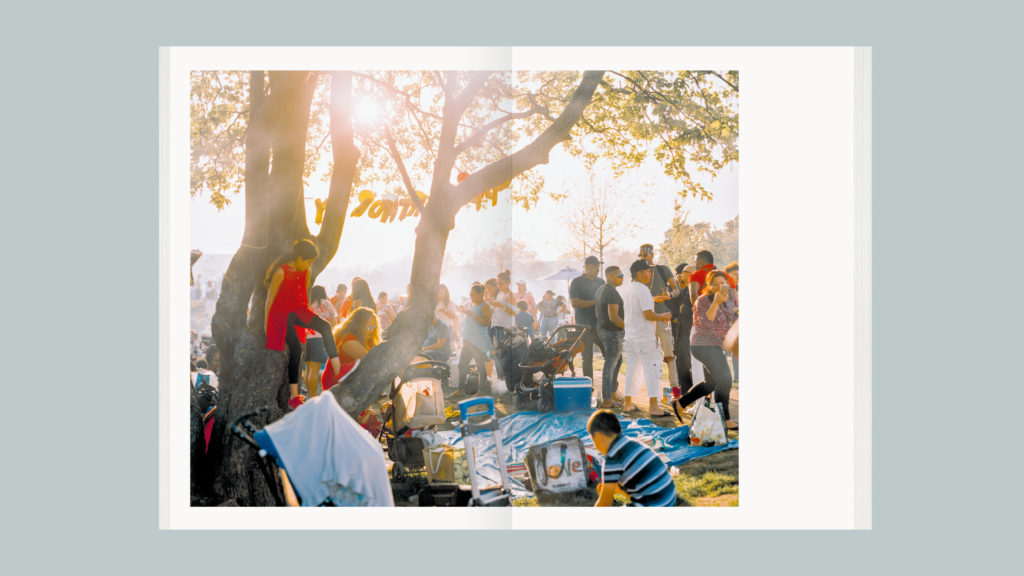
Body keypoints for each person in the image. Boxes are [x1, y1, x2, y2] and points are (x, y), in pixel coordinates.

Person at [264, 240, 341, 408]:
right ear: (298, 258)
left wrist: (308, 319)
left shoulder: (306, 271)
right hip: (282, 315)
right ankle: (294, 395)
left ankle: (338, 371)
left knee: (326, 326)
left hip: (299, 312)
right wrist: (267, 324)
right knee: (296, 350)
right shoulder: (281, 272)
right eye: (307, 261)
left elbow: (303, 298)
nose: (309, 265)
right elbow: (270, 299)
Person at [673, 270, 738, 428]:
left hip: (716, 345)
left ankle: (680, 404)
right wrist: (716, 302)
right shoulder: (702, 300)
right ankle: (725, 419)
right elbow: (707, 322)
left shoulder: (728, 300)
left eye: (722, 283)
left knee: (711, 384)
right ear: (708, 285)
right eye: (714, 284)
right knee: (725, 378)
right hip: (703, 345)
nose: (718, 287)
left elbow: (730, 320)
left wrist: (735, 311)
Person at [588, 410, 677, 507]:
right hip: (669, 498)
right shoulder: (633, 443)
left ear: (598, 436)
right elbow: (642, 488)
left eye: (593, 440)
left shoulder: (612, 459)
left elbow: (604, 502)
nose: (596, 447)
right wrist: (619, 490)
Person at [620, 259, 672, 415]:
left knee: (632, 372)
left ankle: (627, 404)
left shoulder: (628, 289)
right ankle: (654, 407)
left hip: (630, 337)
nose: (650, 274)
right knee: (652, 371)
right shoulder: (643, 290)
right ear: (640, 273)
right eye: (648, 271)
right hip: (644, 338)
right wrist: (663, 316)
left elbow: (637, 308)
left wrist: (654, 300)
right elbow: (648, 314)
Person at [639, 244, 681, 393]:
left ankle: (675, 388)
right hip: (645, 319)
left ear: (652, 254)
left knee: (669, 354)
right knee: (649, 356)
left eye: (646, 255)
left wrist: (668, 295)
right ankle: (653, 389)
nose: (644, 257)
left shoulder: (663, 269)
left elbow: (677, 290)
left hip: (662, 318)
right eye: (641, 255)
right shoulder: (638, 273)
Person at [321, 307, 381, 392]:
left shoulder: (366, 338)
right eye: (368, 327)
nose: (371, 330)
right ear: (358, 326)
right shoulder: (347, 339)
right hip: (336, 383)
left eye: (374, 326)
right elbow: (370, 359)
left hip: (350, 381)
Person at [569, 255, 606, 379]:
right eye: (596, 267)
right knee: (587, 358)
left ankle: (610, 386)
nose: (598, 269)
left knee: (610, 354)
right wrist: (595, 301)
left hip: (600, 325)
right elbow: (575, 303)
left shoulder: (601, 282)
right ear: (588, 267)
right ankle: (588, 387)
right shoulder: (576, 282)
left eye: (598, 267)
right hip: (584, 326)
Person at [594, 265, 625, 409]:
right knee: (610, 365)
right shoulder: (611, 291)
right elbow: (614, 317)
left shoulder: (600, 290)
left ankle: (611, 394)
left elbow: (597, 313)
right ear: (610, 276)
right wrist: (628, 326)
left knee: (616, 362)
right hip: (611, 332)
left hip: (603, 330)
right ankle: (607, 399)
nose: (622, 277)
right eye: (619, 275)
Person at [456, 284, 492, 395]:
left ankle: (481, 390)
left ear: (481, 294)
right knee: (462, 364)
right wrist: (464, 311)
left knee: (480, 366)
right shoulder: (471, 304)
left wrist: (473, 315)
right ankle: (460, 389)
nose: (471, 297)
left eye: (473, 295)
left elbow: (486, 323)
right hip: (468, 339)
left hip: (478, 341)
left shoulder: (485, 306)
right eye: (470, 295)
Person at [303, 285, 337, 398]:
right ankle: (312, 397)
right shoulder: (324, 303)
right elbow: (334, 319)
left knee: (307, 369)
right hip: (319, 338)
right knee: (315, 369)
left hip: (305, 338)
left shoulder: (307, 304)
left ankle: (309, 395)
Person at [669, 264, 696, 398]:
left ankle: (688, 390)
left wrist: (681, 311)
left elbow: (689, 308)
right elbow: (671, 305)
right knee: (681, 359)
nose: (683, 274)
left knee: (686, 361)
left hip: (688, 329)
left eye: (687, 272)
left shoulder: (694, 289)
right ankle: (684, 389)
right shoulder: (680, 288)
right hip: (679, 329)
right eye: (685, 272)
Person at [489, 271, 517, 380]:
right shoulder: (500, 294)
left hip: (505, 327)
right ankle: (501, 377)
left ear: (508, 282)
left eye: (501, 283)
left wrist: (501, 306)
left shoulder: (510, 295)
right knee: (496, 352)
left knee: (503, 353)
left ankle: (505, 378)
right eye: (497, 283)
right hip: (496, 325)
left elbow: (514, 312)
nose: (498, 286)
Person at [435, 284, 460, 349]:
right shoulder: (434, 303)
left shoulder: (450, 303)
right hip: (435, 328)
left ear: (446, 293)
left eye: (442, 292)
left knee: (444, 348)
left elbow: (453, 316)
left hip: (447, 328)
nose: (440, 294)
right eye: (439, 292)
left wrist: (444, 311)